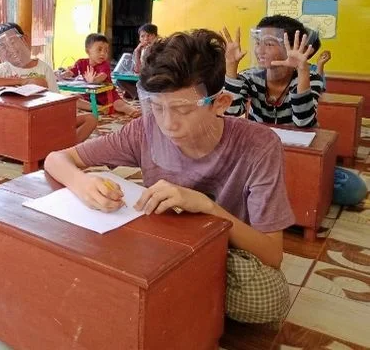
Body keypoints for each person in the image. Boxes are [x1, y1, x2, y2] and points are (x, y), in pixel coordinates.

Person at [45, 29, 294, 324]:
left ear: (220, 103)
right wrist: (82, 182)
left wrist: (208, 207)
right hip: (155, 247)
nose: (168, 123)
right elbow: (56, 159)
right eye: (157, 107)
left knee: (268, 297)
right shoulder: (145, 129)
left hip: (219, 252)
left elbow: (272, 254)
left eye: (182, 110)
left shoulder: (258, 146)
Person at [0, 22, 97, 143]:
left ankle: (66, 148)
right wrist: (22, 81)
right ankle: (53, 146)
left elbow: (56, 99)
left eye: (12, 42)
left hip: (45, 119)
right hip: (19, 121)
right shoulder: (5, 68)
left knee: (91, 120)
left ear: (24, 39)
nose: (10, 49)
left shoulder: (43, 68)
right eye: (3, 47)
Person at [224, 15, 324, 127]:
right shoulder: (250, 77)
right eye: (257, 43)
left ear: (291, 48)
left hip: (294, 143)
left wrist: (302, 71)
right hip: (260, 141)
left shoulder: (311, 79)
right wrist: (231, 66)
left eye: (269, 44)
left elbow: (303, 122)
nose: (259, 50)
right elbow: (231, 111)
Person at [61, 33, 139, 116]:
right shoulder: (81, 62)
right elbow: (72, 72)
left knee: (119, 105)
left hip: (107, 94)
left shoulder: (104, 64)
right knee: (73, 100)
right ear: (88, 51)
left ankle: (132, 111)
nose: (103, 53)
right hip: (89, 94)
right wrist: (64, 74)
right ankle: (98, 108)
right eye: (99, 49)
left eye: (106, 51)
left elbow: (102, 76)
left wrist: (94, 80)